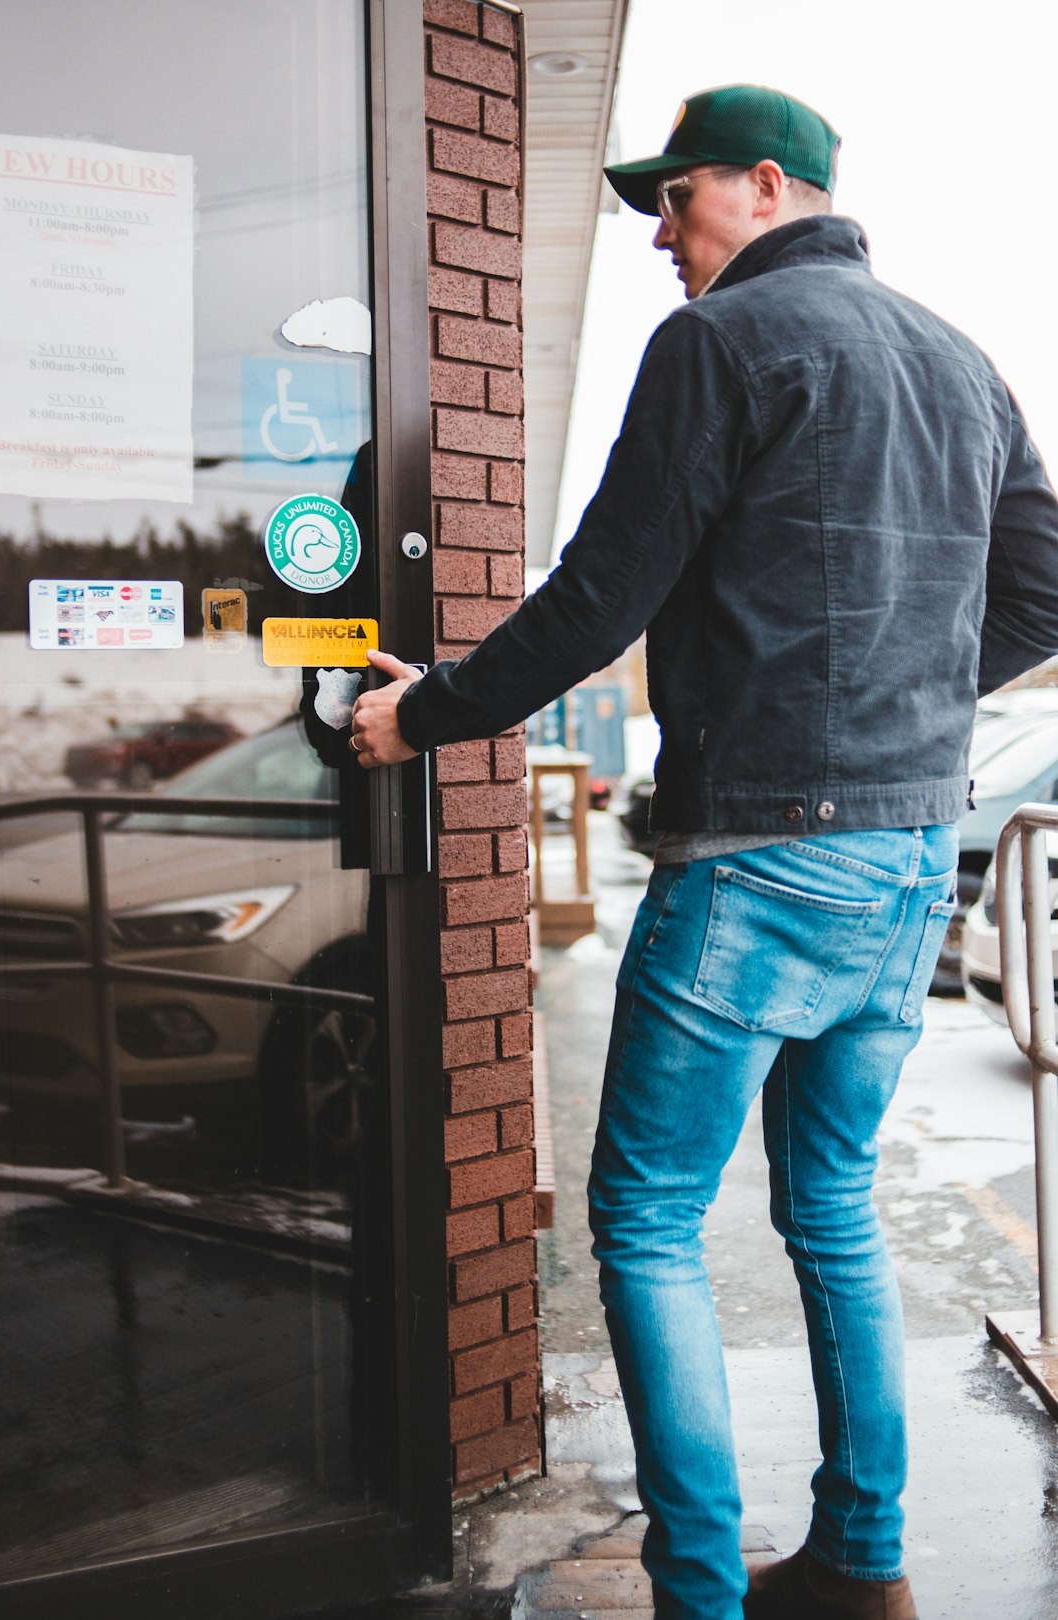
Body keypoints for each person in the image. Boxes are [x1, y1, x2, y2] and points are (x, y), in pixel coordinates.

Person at [350, 83, 1058, 1620]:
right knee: (834, 1212)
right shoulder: (963, 362)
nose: (658, 232)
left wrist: (431, 716)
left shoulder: (722, 342)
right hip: (907, 850)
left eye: (673, 197)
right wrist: (908, 699)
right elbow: (1046, 590)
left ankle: (696, 1594)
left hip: (761, 853)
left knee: (651, 1218)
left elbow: (601, 594)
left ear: (765, 181)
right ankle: (864, 1566)